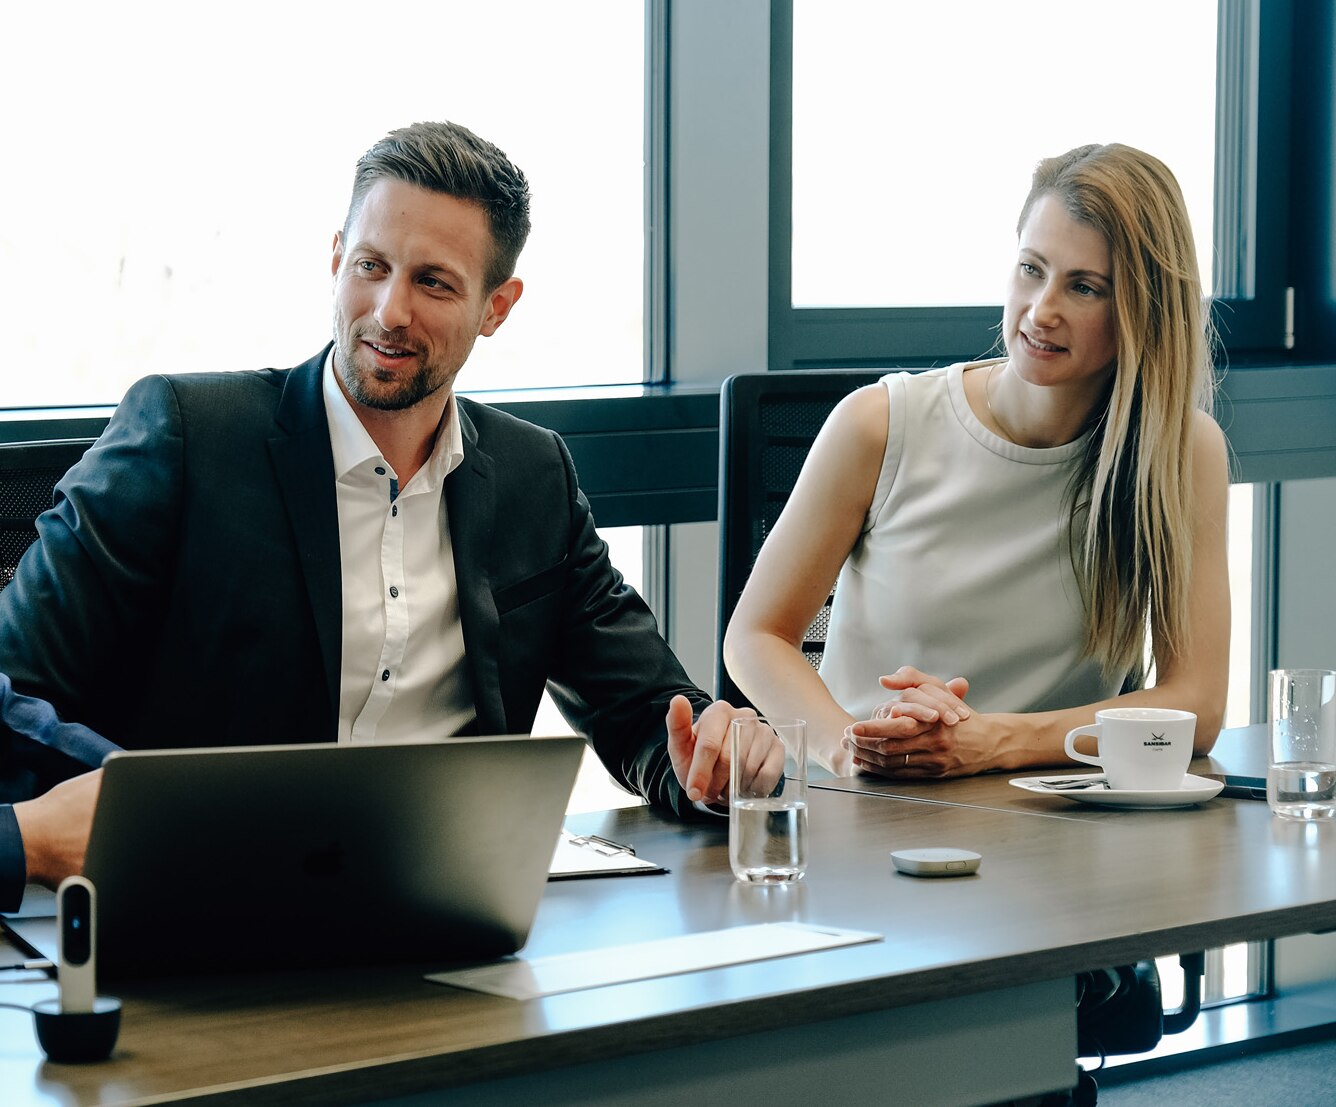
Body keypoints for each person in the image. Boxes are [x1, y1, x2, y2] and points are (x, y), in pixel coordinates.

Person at [0, 120, 762, 912]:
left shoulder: (535, 476)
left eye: (434, 282)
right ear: (336, 260)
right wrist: (138, 802)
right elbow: (12, 690)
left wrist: (713, 756)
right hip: (197, 907)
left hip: (442, 916)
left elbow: (646, 714)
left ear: (497, 306)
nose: (390, 311)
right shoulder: (186, 438)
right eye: (371, 267)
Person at [724, 143, 1230, 779]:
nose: (1041, 311)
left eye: (1084, 287)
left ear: (1143, 311)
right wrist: (847, 748)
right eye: (1030, 268)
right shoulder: (877, 425)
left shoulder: (1181, 453)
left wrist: (993, 742)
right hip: (868, 811)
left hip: (1056, 819)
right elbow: (756, 637)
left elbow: (1198, 708)